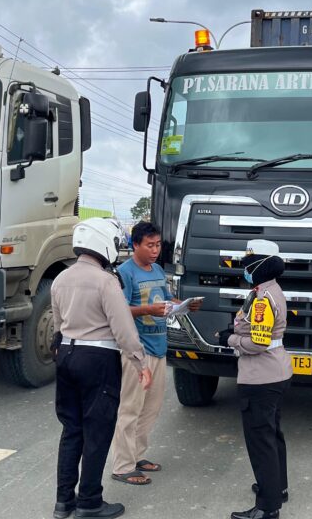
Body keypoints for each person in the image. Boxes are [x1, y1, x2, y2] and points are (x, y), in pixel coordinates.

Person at [52, 218, 153, 519]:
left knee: (72, 430)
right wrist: (140, 363)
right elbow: (122, 329)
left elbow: (58, 325)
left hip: (66, 355)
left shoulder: (61, 279)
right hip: (97, 359)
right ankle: (89, 502)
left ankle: (64, 502)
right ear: (103, 243)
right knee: (97, 432)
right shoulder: (106, 281)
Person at [111, 222, 201, 486]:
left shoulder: (159, 270)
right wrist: (147, 310)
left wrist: (184, 306)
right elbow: (119, 309)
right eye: (149, 245)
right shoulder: (124, 273)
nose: (155, 250)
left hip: (159, 348)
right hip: (137, 352)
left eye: (158, 244)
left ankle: (137, 457)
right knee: (130, 409)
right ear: (135, 245)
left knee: (150, 409)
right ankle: (122, 466)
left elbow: (167, 300)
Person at [215, 239, 292, 519]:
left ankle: (267, 507)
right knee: (272, 435)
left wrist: (230, 338)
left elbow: (258, 343)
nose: (244, 268)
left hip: (260, 375)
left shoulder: (262, 298)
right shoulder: (267, 291)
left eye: (248, 264)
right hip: (275, 372)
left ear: (261, 266)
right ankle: (277, 487)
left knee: (261, 441)